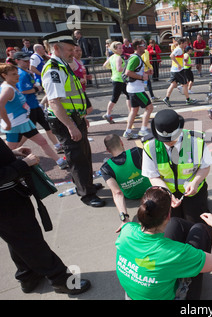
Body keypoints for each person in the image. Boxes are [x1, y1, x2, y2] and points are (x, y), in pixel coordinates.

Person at [0, 138, 91, 295]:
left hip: (10, 198)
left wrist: (12, 153)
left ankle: (27, 276)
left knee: (17, 239)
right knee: (30, 240)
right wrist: (23, 164)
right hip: (6, 203)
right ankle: (61, 280)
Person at [115, 187, 212, 300]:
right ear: (168, 215)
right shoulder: (174, 253)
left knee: (176, 224)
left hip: (133, 296)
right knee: (200, 230)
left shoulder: (127, 230)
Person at [41, 29, 105, 207]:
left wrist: (80, 117)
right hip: (65, 121)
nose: (73, 52)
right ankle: (86, 194)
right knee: (77, 158)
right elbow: (54, 102)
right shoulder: (54, 69)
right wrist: (71, 126)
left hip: (73, 118)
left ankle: (87, 185)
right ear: (56, 48)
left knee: (84, 154)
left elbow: (71, 97)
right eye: (69, 49)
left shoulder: (63, 65)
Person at [142, 109, 212, 223]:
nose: (169, 142)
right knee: (170, 225)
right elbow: (153, 176)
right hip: (166, 192)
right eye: (165, 139)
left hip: (193, 191)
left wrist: (195, 182)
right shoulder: (149, 146)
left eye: (172, 138)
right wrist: (167, 193)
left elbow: (205, 167)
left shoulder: (196, 141)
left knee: (195, 225)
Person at [0, 62, 68, 170]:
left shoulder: (10, 86)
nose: (17, 75)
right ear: (4, 75)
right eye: (13, 74)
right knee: (8, 151)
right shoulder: (7, 89)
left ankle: (60, 161)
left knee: (42, 142)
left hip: (24, 122)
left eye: (17, 73)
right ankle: (10, 171)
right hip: (15, 125)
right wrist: (7, 122)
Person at [14, 52, 62, 154]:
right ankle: (14, 150)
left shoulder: (26, 72)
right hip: (28, 107)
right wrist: (36, 88)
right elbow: (23, 90)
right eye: (25, 61)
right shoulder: (21, 74)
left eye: (28, 61)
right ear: (17, 61)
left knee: (47, 126)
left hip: (34, 105)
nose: (27, 63)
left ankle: (57, 145)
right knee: (28, 133)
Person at [100, 134, 151, 218]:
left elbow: (117, 193)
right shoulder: (137, 151)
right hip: (149, 191)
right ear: (121, 143)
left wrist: (124, 217)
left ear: (107, 150)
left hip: (131, 196)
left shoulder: (105, 168)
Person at [122, 39, 154, 140]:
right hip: (137, 90)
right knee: (149, 108)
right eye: (143, 45)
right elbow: (128, 72)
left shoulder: (137, 58)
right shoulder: (135, 58)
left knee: (134, 110)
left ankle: (128, 132)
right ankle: (143, 130)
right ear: (138, 47)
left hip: (133, 89)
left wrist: (146, 73)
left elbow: (135, 71)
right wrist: (142, 77)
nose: (145, 46)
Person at [162, 38, 197, 107]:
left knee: (173, 85)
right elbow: (171, 56)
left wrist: (183, 59)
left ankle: (166, 98)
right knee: (185, 85)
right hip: (178, 71)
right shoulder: (178, 49)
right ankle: (188, 100)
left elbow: (177, 57)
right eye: (185, 43)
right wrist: (178, 64)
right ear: (181, 43)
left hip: (174, 70)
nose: (186, 45)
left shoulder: (179, 49)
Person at [102, 41, 131, 124]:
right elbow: (119, 69)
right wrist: (127, 68)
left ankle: (131, 112)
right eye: (119, 48)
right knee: (115, 98)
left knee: (128, 95)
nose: (122, 49)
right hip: (119, 80)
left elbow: (104, 65)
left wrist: (112, 67)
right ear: (115, 49)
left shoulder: (112, 57)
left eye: (121, 47)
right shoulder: (118, 57)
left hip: (117, 79)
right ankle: (108, 114)